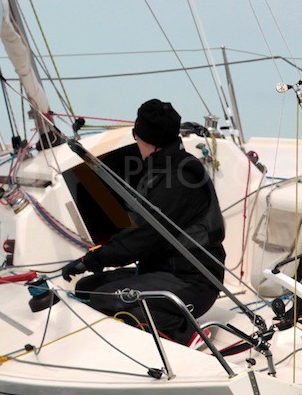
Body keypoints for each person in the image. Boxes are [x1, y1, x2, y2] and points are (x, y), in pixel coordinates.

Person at [59, 99, 226, 344]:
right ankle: (142, 325)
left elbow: (146, 237)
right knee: (87, 288)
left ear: (141, 137)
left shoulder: (181, 177)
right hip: (163, 271)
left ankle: (183, 332)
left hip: (192, 282)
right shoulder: (164, 167)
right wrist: (95, 260)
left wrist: (93, 259)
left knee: (103, 297)